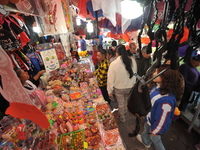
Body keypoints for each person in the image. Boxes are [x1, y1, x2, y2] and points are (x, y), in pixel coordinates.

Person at [136, 64, 182, 150]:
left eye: (156, 72)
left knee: (156, 139)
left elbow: (162, 118)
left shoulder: (166, 100)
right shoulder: (157, 87)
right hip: (150, 119)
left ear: (165, 78)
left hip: (156, 125)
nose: (153, 74)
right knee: (146, 129)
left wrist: (156, 131)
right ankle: (146, 142)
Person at [107, 45, 137, 122]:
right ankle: (125, 112)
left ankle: (122, 118)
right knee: (126, 102)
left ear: (117, 53)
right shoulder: (132, 60)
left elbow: (110, 79)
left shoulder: (114, 64)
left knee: (120, 103)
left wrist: (109, 90)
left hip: (119, 88)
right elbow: (135, 73)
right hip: (130, 87)